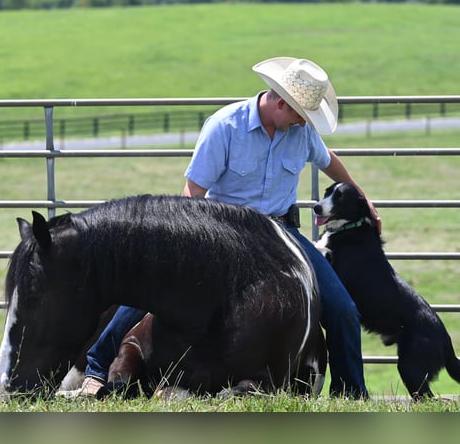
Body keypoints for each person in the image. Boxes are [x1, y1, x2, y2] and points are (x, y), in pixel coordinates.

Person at [78, 56, 381, 399]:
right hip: (225, 233)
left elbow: (329, 161)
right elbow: (193, 191)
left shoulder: (301, 133)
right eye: (299, 115)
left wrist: (363, 198)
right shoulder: (225, 126)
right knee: (151, 287)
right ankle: (98, 368)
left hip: (281, 233)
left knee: (342, 308)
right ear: (281, 103)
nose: (302, 124)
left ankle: (352, 394)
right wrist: (190, 241)